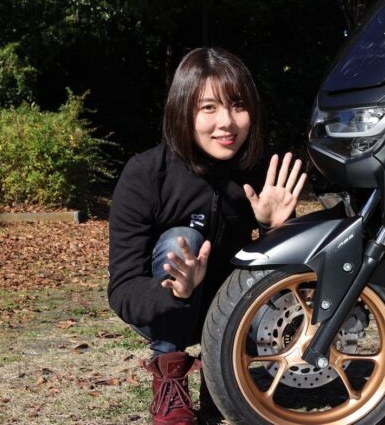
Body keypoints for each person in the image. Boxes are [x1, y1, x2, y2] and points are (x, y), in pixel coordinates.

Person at [107, 47, 307, 425]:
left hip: (232, 307)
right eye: (209, 108)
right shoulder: (146, 174)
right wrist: (174, 289)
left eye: (238, 105)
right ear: (182, 110)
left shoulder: (262, 170)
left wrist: (274, 230)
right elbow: (122, 290)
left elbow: (289, 291)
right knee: (181, 241)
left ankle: (223, 378)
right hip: (164, 306)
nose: (227, 123)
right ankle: (170, 380)